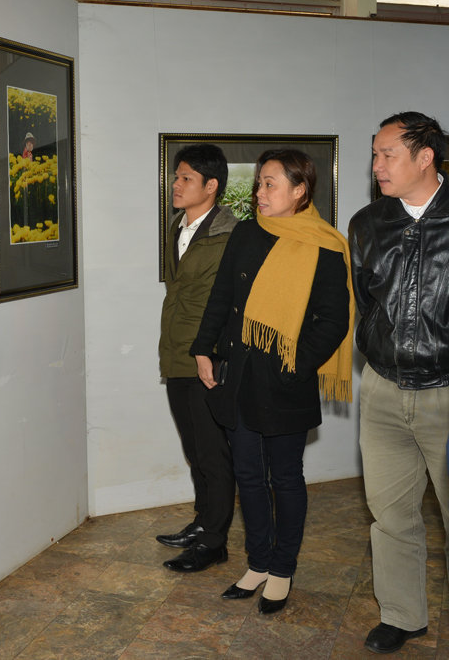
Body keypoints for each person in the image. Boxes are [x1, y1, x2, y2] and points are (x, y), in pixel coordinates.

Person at [191, 149, 353, 614]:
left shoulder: (325, 244)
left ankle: (282, 568)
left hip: (284, 382)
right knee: (247, 474)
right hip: (239, 375)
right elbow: (222, 294)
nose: (259, 193)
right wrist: (203, 348)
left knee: (285, 477)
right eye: (259, 183)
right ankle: (258, 561)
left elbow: (334, 320)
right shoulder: (246, 232)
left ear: (299, 191)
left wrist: (293, 364)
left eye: (269, 184)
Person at [348, 111, 449, 654]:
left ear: (425, 156)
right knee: (390, 515)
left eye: (388, 154)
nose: (377, 165)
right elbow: (366, 303)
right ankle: (402, 615)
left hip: (446, 392)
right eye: (374, 154)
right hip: (383, 390)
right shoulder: (367, 223)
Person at [157, 143, 239, 573]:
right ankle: (203, 521)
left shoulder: (230, 235)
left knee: (212, 453)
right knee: (194, 450)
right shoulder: (177, 227)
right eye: (176, 176)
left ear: (211, 186)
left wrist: (213, 352)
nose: (176, 184)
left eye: (186, 178)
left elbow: (230, 303)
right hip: (175, 352)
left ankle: (214, 542)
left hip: (207, 357)